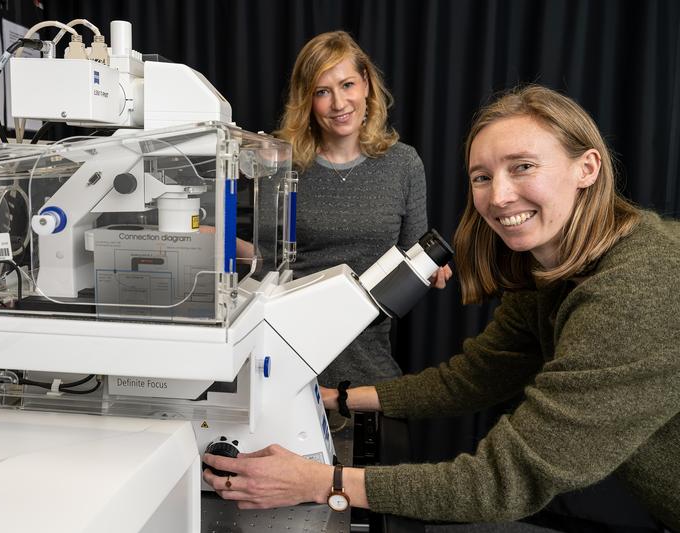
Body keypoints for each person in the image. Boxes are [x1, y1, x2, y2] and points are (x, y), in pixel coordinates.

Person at [203, 85, 680, 529]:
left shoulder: (640, 288)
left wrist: (321, 481)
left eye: (523, 166)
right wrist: (339, 397)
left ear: (587, 168)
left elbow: (503, 480)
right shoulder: (550, 273)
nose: (499, 196)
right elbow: (472, 378)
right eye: (482, 176)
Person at [260, 30, 450, 387]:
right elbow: (266, 263)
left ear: (365, 84)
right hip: (287, 364)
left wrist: (430, 273)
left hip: (368, 367)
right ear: (307, 100)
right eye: (322, 91)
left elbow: (413, 259)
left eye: (347, 84)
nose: (338, 103)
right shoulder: (281, 163)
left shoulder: (404, 164)